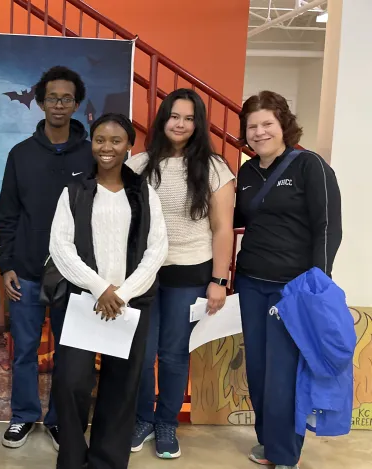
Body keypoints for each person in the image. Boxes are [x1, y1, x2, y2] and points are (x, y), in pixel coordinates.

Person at [48, 113, 168, 469]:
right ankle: (72, 460)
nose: (107, 147)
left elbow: (158, 247)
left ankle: (107, 462)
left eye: (116, 141)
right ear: (92, 144)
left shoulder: (145, 193)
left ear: (129, 145)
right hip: (84, 301)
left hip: (130, 306)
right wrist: (101, 288)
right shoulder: (75, 191)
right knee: (71, 384)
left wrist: (124, 293)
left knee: (120, 388)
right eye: (100, 139)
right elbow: (60, 246)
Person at [234, 91, 341, 469]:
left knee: (283, 374)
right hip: (250, 283)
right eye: (252, 126)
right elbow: (232, 220)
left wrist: (318, 285)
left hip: (292, 290)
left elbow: (328, 227)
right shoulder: (246, 173)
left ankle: (284, 454)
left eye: (267, 124)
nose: (260, 132)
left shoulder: (309, 166)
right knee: (259, 371)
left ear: (283, 126)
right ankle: (269, 441)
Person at [126, 88, 236, 458]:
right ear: (163, 119)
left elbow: (222, 228)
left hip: (190, 272)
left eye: (190, 118)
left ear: (198, 123)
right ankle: (142, 417)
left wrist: (220, 280)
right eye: (175, 116)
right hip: (144, 274)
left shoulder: (216, 168)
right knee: (140, 355)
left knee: (173, 354)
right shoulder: (138, 165)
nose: (181, 124)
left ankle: (166, 423)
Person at [0, 65, 93, 450]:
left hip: (76, 275)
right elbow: (7, 215)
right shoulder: (20, 154)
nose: (58, 104)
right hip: (27, 271)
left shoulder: (91, 155)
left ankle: (59, 421)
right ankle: (23, 416)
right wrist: (7, 266)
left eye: (66, 98)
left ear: (76, 103)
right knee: (23, 350)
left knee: (70, 354)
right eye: (52, 97)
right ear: (39, 102)